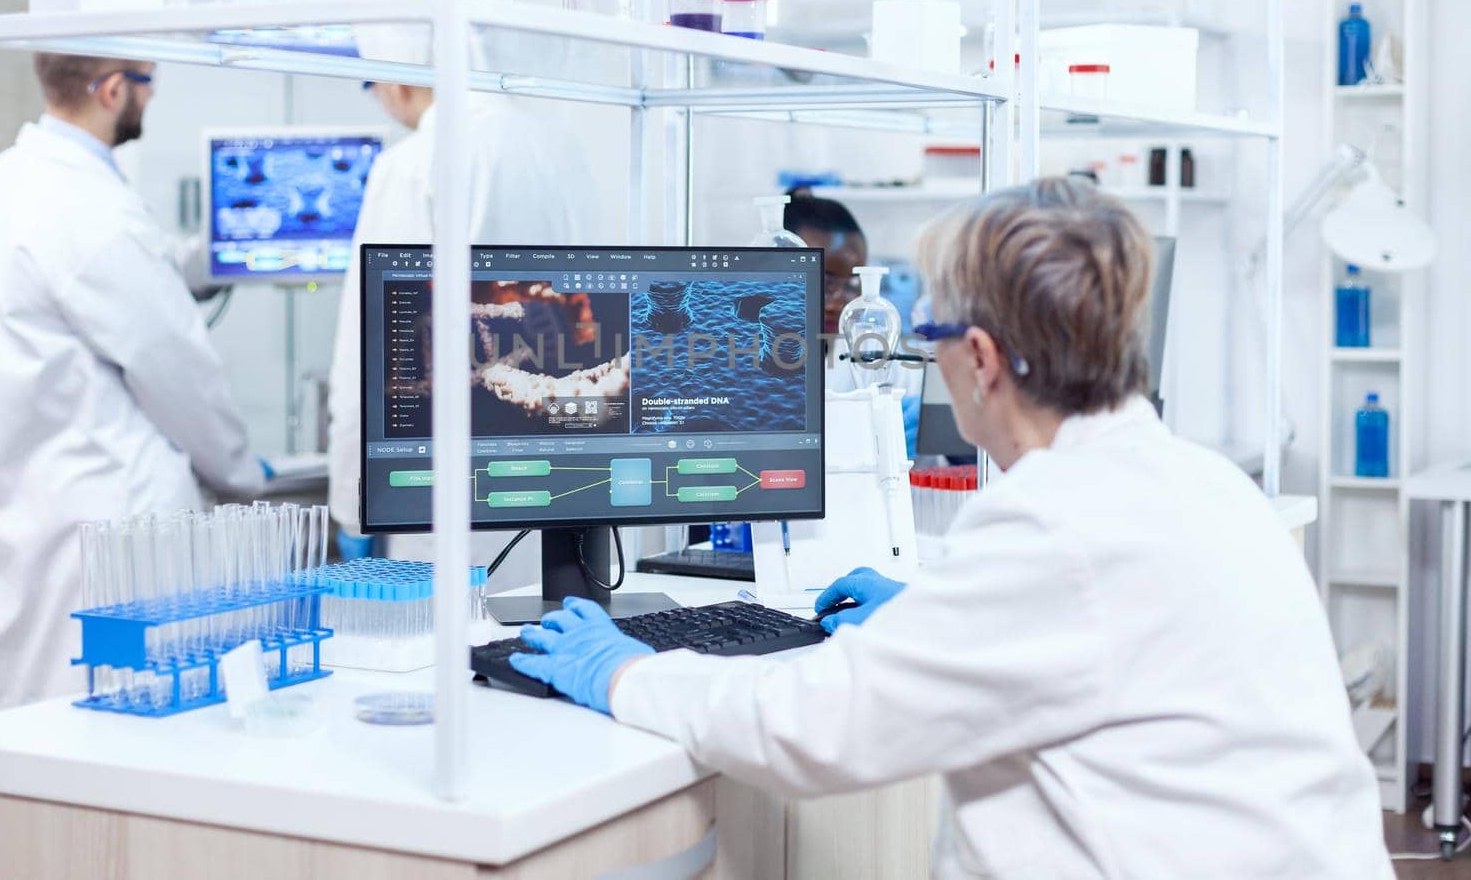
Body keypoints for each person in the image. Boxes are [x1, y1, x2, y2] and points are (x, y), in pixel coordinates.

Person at [508, 178, 1391, 878]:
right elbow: (1087, 647)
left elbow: (814, 727)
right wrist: (933, 612)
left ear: (979, 358)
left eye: (926, 330)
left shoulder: (1053, 523)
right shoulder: (1204, 484)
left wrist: (627, 670)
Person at [0, 53, 266, 710]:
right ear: (112, 90)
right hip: (111, 514)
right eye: (148, 82)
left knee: (34, 721)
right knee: (113, 725)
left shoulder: (7, 178)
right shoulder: (89, 208)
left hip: (29, 495)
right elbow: (176, 368)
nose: (151, 95)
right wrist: (242, 472)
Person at [326, 83, 601, 567]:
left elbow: (371, 353)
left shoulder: (413, 163)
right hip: (565, 484)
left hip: (449, 500)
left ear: (396, 81)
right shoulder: (563, 149)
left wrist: (352, 508)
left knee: (457, 636)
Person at [783, 188, 921, 453]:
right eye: (823, 281)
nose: (837, 302)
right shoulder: (742, 352)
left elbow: (928, 468)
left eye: (852, 283)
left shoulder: (876, 353)